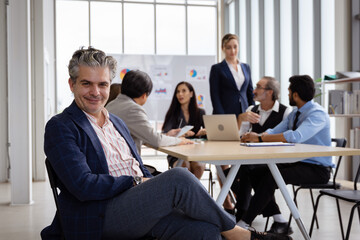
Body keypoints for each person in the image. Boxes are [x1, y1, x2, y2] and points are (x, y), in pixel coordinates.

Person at [41, 47, 291, 240]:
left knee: (205, 230)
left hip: (138, 204)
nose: (96, 91)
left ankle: (228, 229)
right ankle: (238, 231)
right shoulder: (61, 126)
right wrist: (138, 182)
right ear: (72, 84)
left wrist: (148, 182)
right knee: (178, 177)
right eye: (87, 83)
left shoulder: (115, 120)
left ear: (110, 86)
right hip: (99, 214)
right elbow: (83, 186)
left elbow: (136, 166)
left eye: (102, 84)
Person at [238, 75, 332, 235]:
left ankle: (242, 224)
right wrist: (254, 135)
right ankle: (280, 220)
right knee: (255, 170)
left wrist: (260, 138)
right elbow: (275, 130)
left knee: (272, 176)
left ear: (295, 95)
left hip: (317, 169)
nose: (287, 95)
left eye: (289, 92)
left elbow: (296, 136)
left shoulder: (318, 114)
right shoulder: (295, 113)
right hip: (297, 162)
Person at [231, 76, 292, 234]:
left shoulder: (286, 112)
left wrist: (259, 139)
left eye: (259, 87)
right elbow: (239, 136)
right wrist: (240, 120)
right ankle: (274, 217)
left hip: (276, 160)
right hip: (253, 158)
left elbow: (287, 139)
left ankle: (243, 214)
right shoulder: (251, 109)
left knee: (246, 170)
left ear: (270, 92)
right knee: (239, 169)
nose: (254, 90)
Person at [209, 33, 255, 213]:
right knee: (223, 160)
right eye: (228, 47)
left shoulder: (246, 67)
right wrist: (224, 120)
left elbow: (249, 92)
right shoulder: (217, 69)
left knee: (240, 156)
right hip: (224, 117)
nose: (232, 51)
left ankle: (241, 196)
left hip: (244, 117)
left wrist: (253, 111)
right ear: (223, 49)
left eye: (235, 47)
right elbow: (215, 96)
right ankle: (226, 199)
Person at [106, 70, 192, 155]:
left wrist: (167, 136)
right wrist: (180, 141)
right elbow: (156, 141)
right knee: (182, 170)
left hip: (112, 161)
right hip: (127, 164)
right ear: (144, 95)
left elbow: (144, 135)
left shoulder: (111, 105)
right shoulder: (133, 109)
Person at [162, 81, 207, 179]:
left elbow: (207, 135)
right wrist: (180, 134)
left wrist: (203, 132)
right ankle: (189, 193)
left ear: (191, 93)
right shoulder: (172, 113)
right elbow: (165, 134)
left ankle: (193, 193)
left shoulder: (200, 112)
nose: (180, 94)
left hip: (196, 152)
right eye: (178, 92)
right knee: (185, 166)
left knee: (198, 166)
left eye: (183, 91)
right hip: (177, 153)